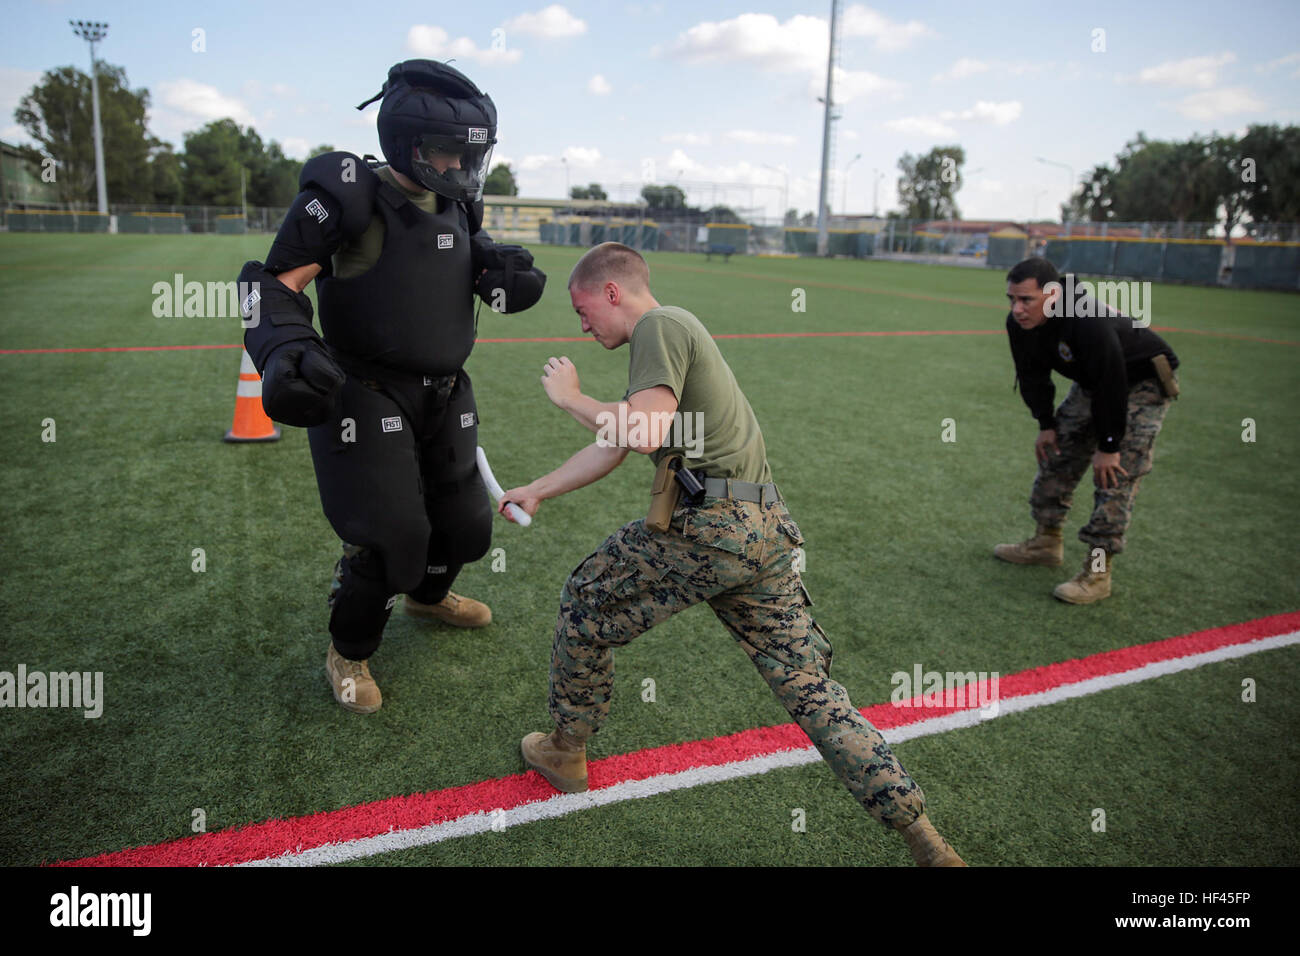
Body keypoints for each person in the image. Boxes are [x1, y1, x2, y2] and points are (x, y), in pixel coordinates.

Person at [497, 242, 964, 866]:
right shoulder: (672, 337)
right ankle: (923, 836)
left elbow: (641, 433)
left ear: (613, 293)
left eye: (583, 310)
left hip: (709, 528)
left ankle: (565, 748)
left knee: (586, 598)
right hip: (763, 530)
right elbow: (616, 445)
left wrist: (570, 397)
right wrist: (538, 489)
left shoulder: (660, 325)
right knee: (810, 687)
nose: (582, 326)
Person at [236, 60, 546, 713]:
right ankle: (348, 652)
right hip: (364, 388)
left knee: (465, 530)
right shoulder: (348, 193)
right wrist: (286, 349)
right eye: (448, 151)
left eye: (472, 154)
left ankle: (426, 598)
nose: (462, 166)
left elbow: (467, 258)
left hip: (446, 387)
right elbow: (271, 286)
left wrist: (500, 272)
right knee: (391, 537)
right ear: (405, 141)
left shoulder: (460, 200)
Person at [996, 257, 1179, 603]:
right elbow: (1031, 374)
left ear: (1051, 295)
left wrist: (1109, 445)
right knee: (1058, 452)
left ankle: (1098, 573)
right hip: (1096, 381)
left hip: (1141, 380)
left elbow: (1113, 380)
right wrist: (1046, 424)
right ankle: (1046, 541)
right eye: (1012, 299)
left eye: (1026, 300)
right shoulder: (1018, 324)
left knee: (1115, 475)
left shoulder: (1085, 319)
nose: (1017, 309)